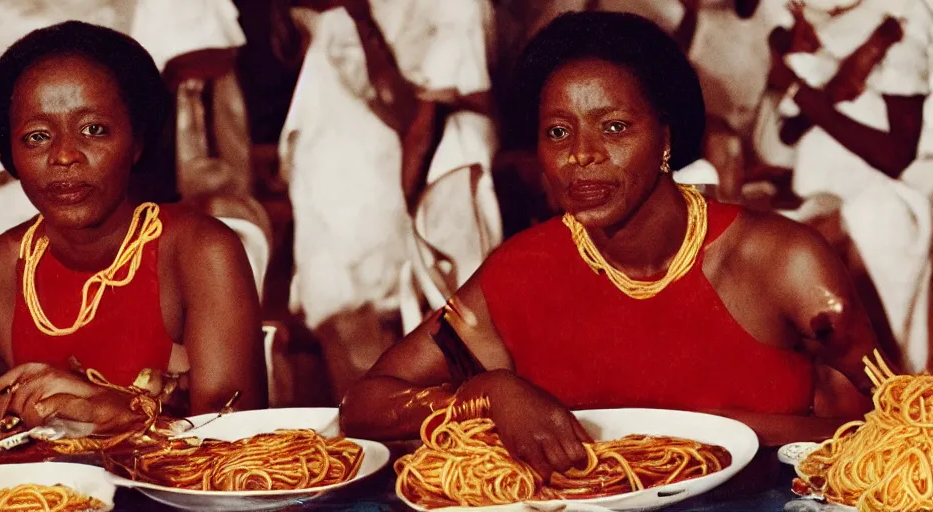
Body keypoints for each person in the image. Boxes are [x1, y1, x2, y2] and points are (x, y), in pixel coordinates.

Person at [340, 11, 884, 481]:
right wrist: (487, 395)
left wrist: (715, 432)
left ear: (667, 138)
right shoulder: (520, 273)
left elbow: (895, 422)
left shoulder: (782, 260)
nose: (582, 154)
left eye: (616, 126)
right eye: (558, 132)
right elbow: (362, 407)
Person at [0, 21, 266, 431]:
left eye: (94, 130)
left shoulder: (199, 251)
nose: (63, 156)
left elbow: (239, 434)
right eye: (37, 136)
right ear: (11, 157)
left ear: (136, 142)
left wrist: (118, 414)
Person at [279, 0, 502, 400]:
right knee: (348, 321)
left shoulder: (451, 9)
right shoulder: (337, 22)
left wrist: (411, 190)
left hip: (419, 180)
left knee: (451, 321)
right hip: (347, 189)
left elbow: (428, 108)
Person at [770, 0, 930, 373]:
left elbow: (896, 156)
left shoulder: (903, 15)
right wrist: (835, 75)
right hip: (825, 195)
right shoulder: (816, 20)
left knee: (870, 351)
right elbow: (790, 129)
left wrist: (803, 91)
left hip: (886, 198)